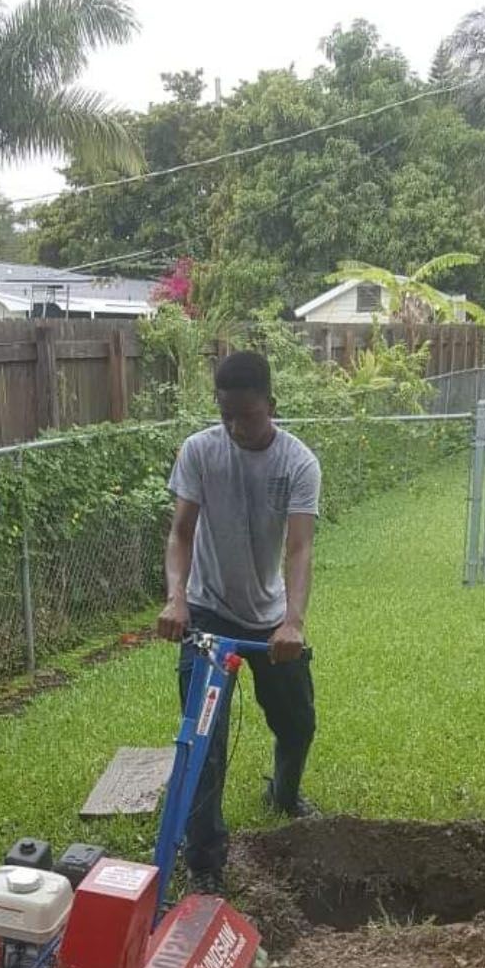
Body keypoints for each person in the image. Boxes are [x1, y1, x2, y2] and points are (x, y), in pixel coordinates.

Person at [157, 349, 321, 893]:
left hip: (271, 620)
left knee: (296, 723)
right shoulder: (200, 452)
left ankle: (284, 791)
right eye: (226, 415)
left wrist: (292, 622)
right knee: (205, 741)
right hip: (205, 615)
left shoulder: (298, 463)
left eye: (246, 416)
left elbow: (299, 549)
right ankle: (205, 864)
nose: (235, 427)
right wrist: (176, 600)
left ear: (271, 406)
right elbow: (180, 534)